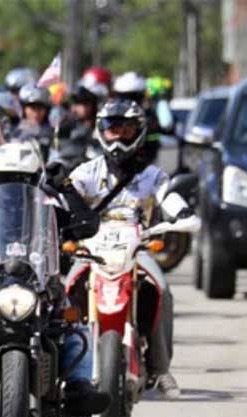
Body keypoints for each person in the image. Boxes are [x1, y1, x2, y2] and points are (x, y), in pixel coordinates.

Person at [0, 141, 111, 417]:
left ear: (36, 179)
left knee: (76, 328)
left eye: (23, 179)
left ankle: (79, 387)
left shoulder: (48, 211)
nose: (14, 185)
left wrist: (65, 186)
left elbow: (87, 224)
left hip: (37, 285)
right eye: (6, 179)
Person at [62, 98, 180, 399]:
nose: (118, 137)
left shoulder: (152, 175)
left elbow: (170, 197)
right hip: (92, 250)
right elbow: (63, 197)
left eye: (125, 130)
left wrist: (183, 214)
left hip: (136, 249)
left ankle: (160, 367)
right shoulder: (86, 172)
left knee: (162, 289)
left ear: (138, 133)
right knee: (64, 290)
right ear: (101, 132)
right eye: (112, 130)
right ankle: (64, 365)